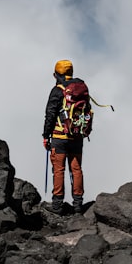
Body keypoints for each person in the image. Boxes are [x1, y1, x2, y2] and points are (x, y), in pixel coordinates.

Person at [43, 59, 87, 213]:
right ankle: (78, 204)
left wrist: (45, 136)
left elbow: (50, 115)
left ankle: (57, 205)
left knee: (59, 169)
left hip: (59, 137)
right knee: (76, 169)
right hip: (77, 135)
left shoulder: (57, 90)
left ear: (56, 74)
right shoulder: (80, 88)